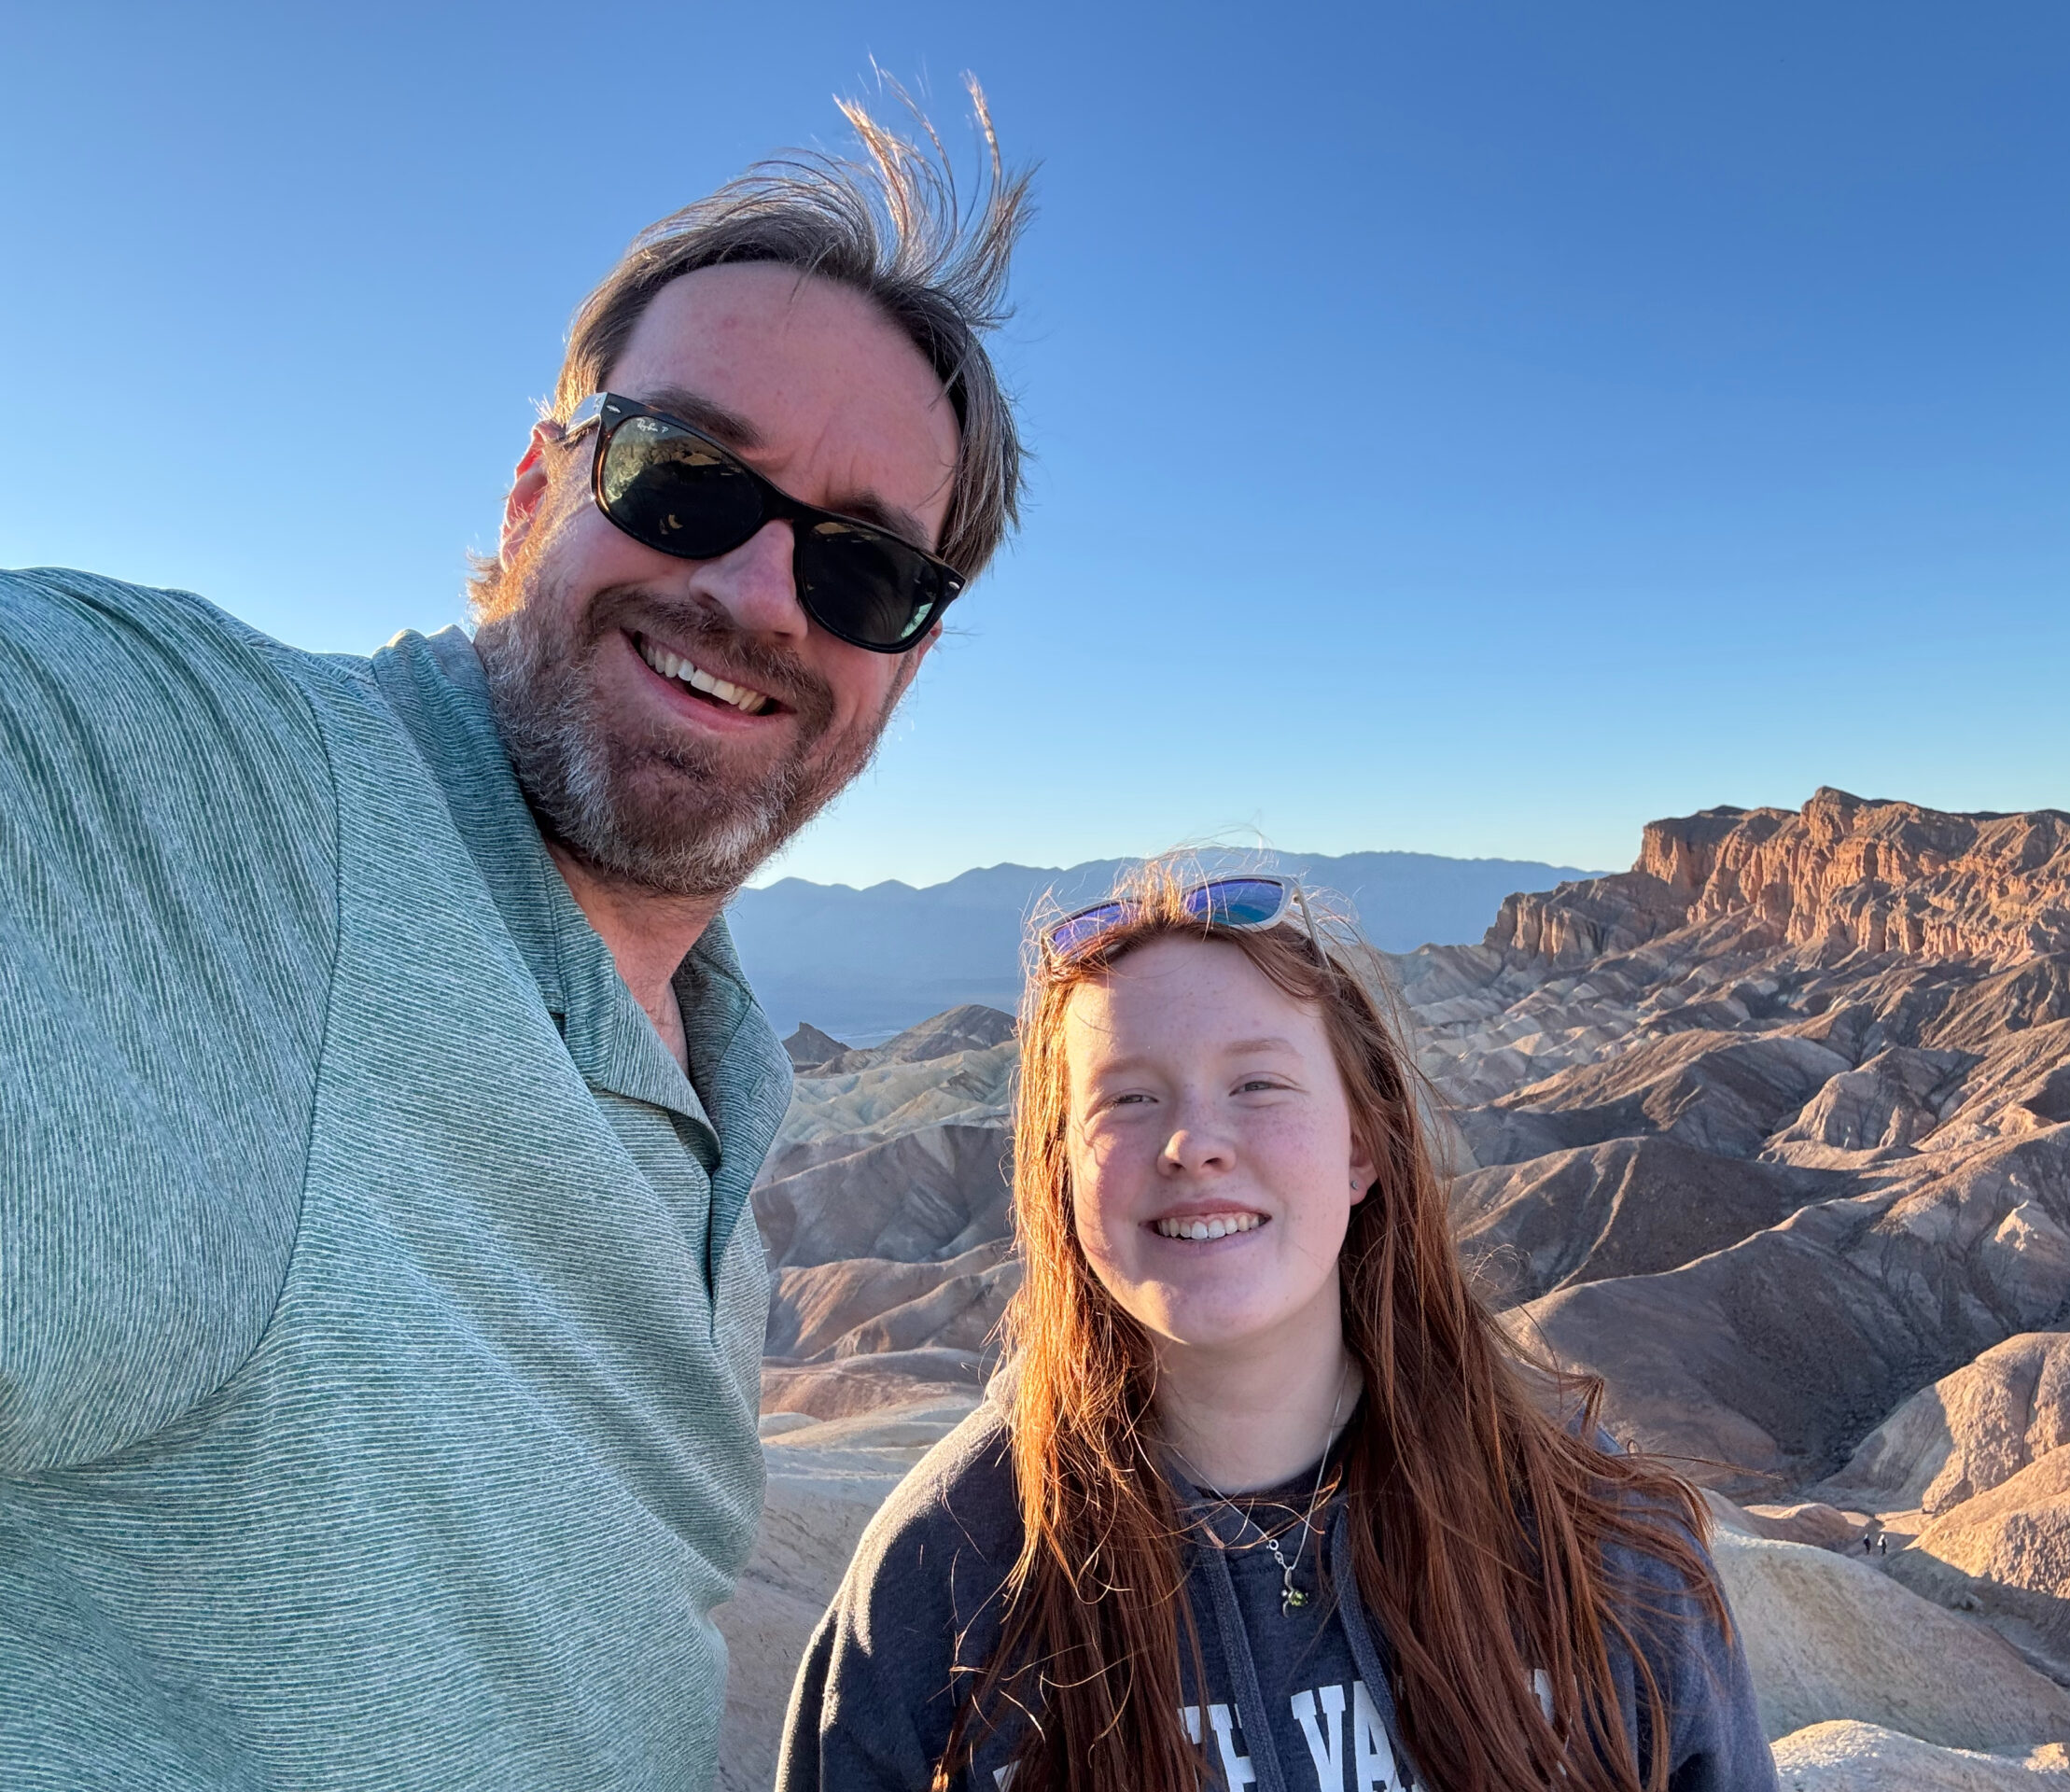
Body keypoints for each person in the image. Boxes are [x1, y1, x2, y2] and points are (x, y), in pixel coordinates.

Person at [0, 89, 1029, 1790]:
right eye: (687, 479)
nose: (768, 596)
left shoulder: (725, 1087)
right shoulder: (213, 805)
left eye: (863, 573)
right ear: (537, 487)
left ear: (901, 668)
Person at [779, 869, 1777, 1791]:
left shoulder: (1585, 1540)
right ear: (1062, 1182)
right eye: (1127, 1099)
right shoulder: (949, 1567)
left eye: (1256, 1084)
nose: (1193, 1145)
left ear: (1361, 1149)